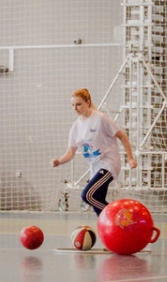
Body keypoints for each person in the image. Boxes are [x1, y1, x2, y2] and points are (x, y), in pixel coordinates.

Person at [51, 88, 137, 229]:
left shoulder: (100, 119)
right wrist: (59, 161)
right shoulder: (76, 127)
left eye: (78, 104)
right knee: (98, 199)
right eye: (73, 105)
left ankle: (118, 220)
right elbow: (70, 152)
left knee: (87, 195)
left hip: (109, 163)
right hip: (95, 167)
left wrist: (131, 158)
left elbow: (123, 136)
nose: (75, 108)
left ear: (88, 102)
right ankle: (111, 232)